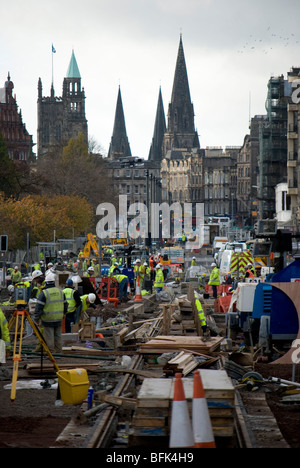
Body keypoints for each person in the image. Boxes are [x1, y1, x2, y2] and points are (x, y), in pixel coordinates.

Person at [34, 273, 67, 354]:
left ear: (46, 282)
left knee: (49, 337)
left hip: (47, 319)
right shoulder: (60, 292)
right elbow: (65, 304)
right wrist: (64, 314)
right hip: (58, 318)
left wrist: (36, 318)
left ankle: (51, 353)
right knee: (58, 336)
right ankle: (59, 352)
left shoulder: (44, 293)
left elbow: (39, 307)